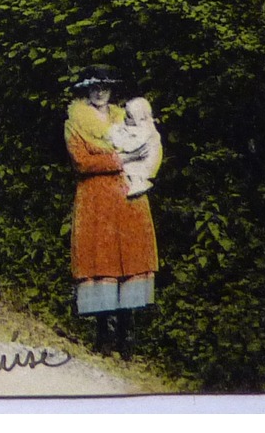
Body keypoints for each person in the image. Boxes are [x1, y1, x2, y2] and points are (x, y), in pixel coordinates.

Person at [65, 66, 158, 358]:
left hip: (129, 193)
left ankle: (127, 336)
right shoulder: (75, 122)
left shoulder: (127, 117)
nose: (100, 92)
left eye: (105, 87)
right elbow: (82, 162)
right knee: (100, 257)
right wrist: (122, 158)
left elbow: (150, 148)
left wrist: (132, 162)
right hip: (96, 197)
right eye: (93, 87)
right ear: (85, 91)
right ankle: (104, 333)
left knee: (129, 255)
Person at [108, 96, 162, 198]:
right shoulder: (135, 126)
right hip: (140, 158)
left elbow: (131, 146)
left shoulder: (145, 130)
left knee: (128, 168)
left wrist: (120, 144)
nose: (124, 117)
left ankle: (139, 183)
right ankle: (137, 182)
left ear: (139, 119)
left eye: (129, 116)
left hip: (147, 161)